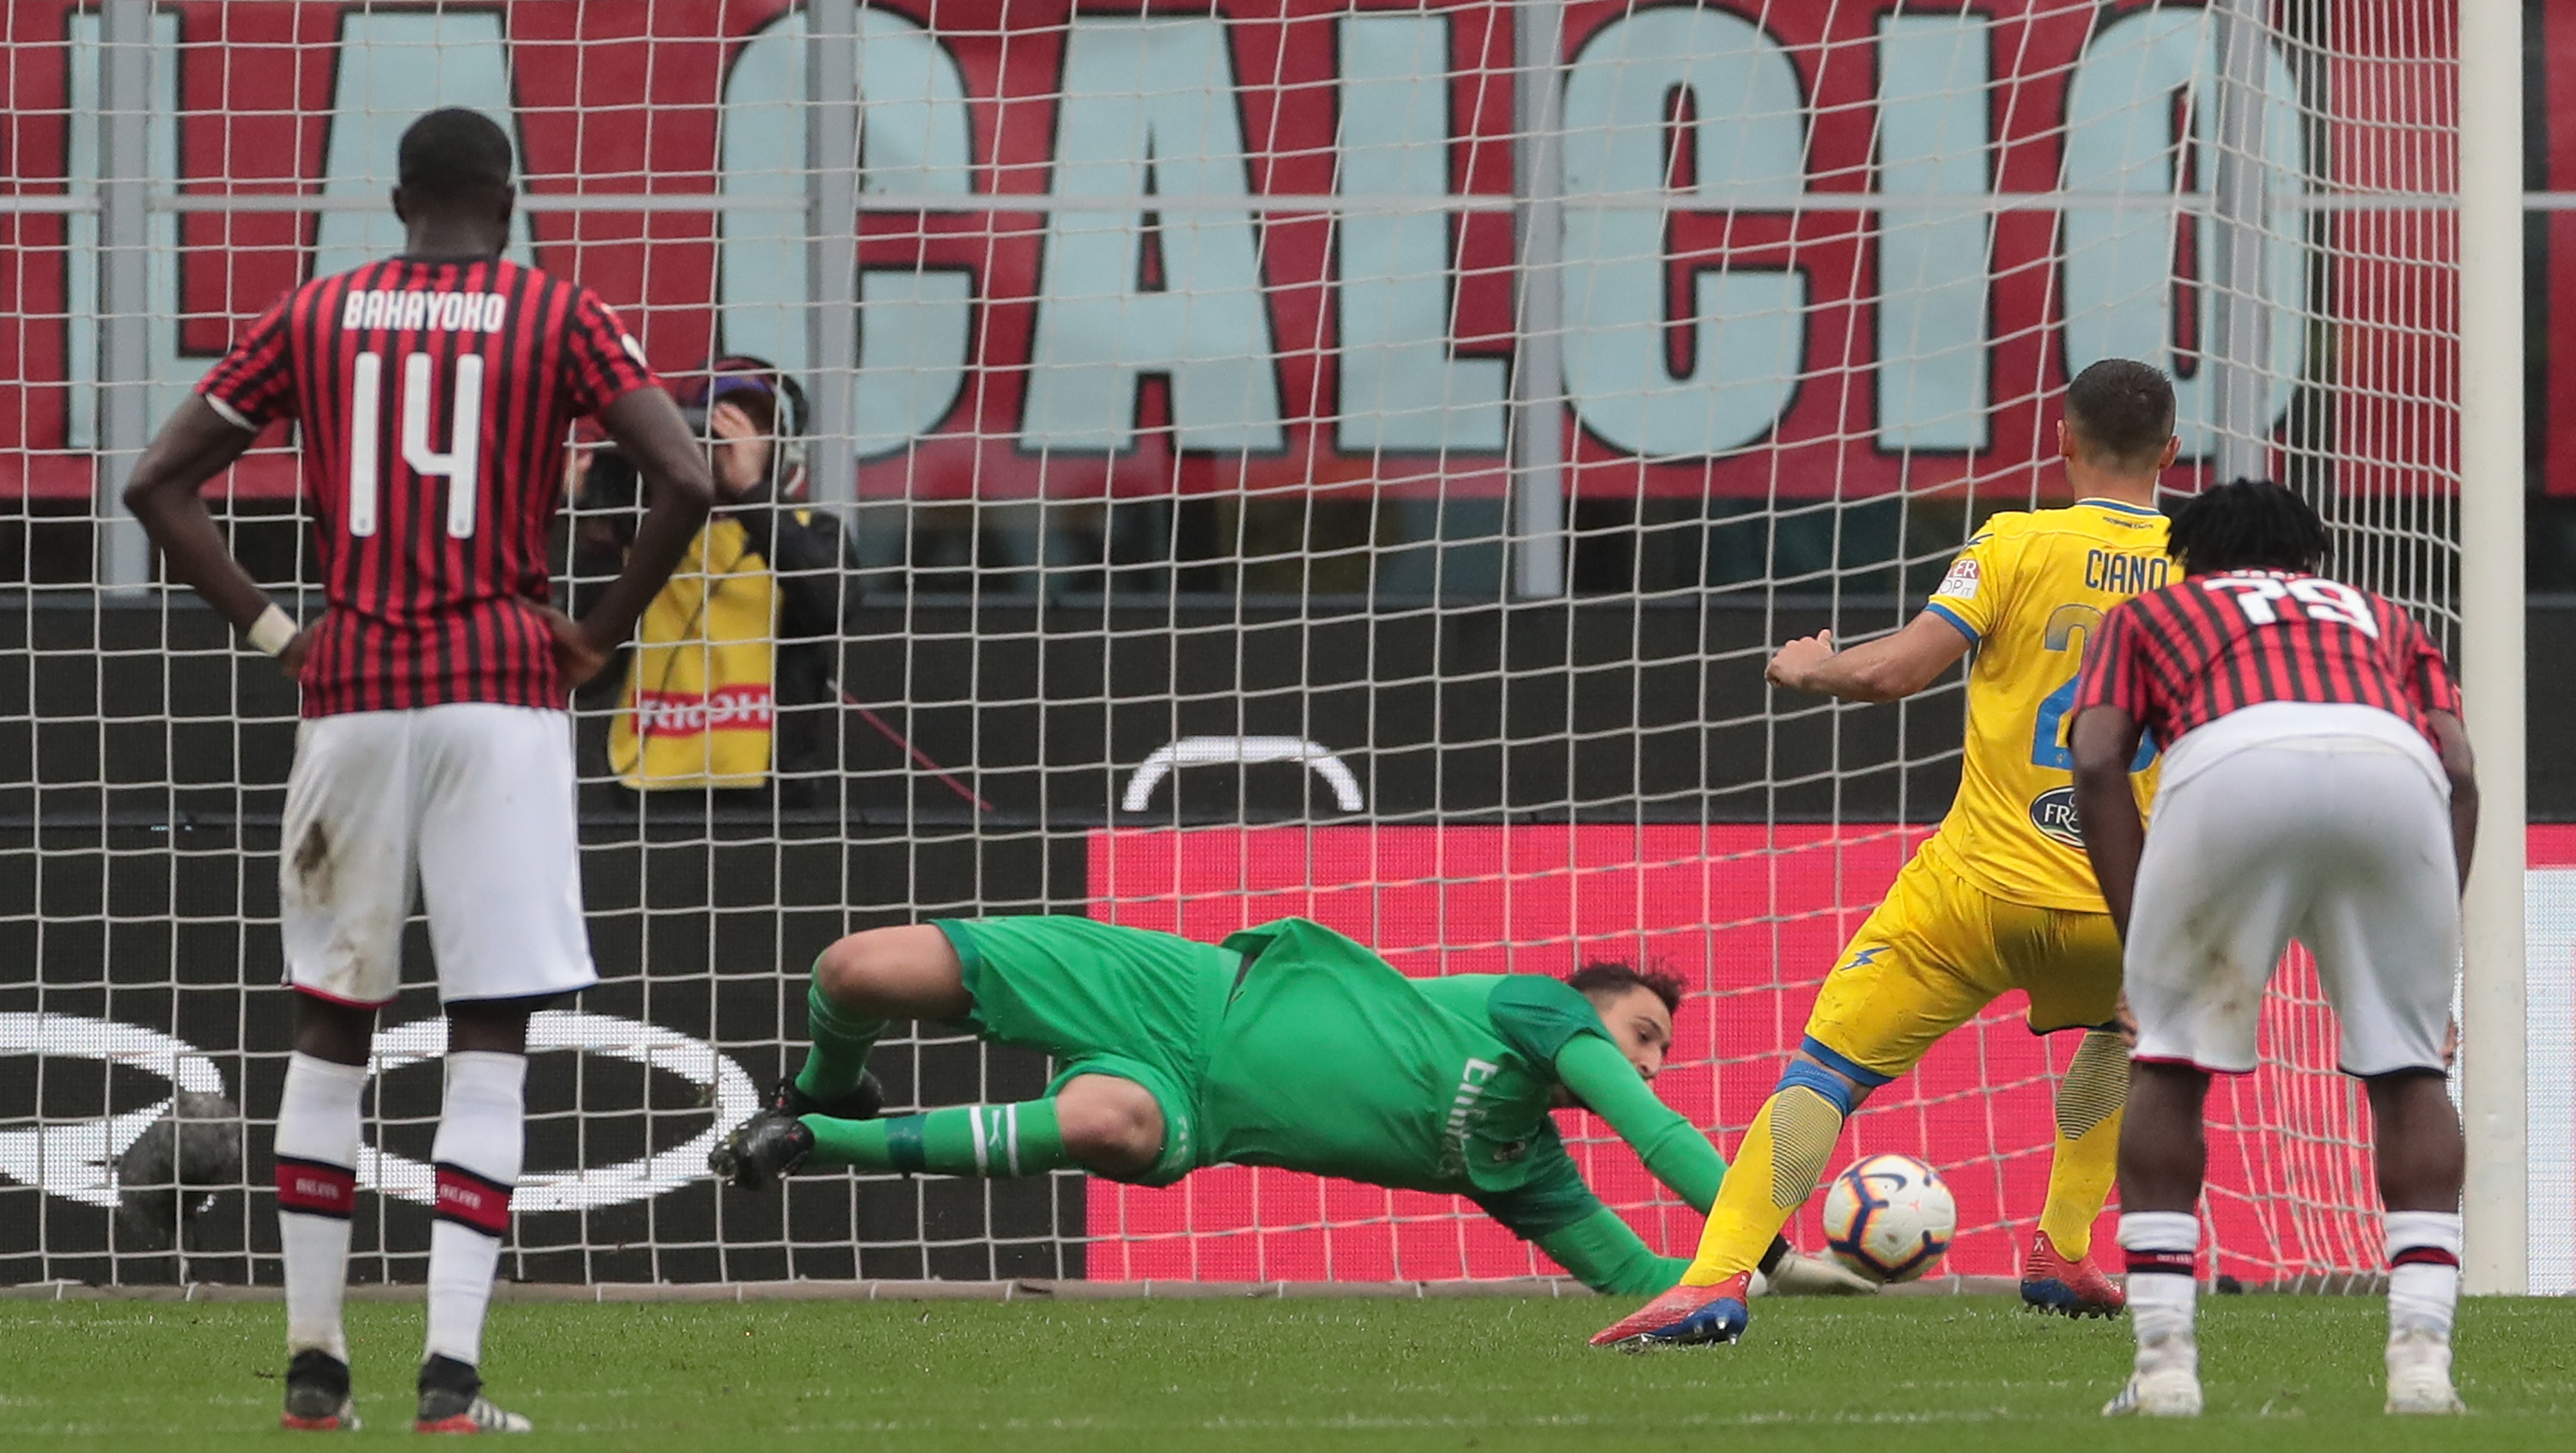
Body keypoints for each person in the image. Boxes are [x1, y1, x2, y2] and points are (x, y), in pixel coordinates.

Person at [119, 108, 715, 1432]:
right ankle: (450, 1380)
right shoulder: (556, 313)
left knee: (332, 1028)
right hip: (501, 694)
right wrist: (595, 638)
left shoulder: (318, 314)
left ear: (397, 202)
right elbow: (681, 476)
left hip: (354, 695)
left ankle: (315, 1370)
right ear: (511, 203)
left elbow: (156, 483)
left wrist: (282, 635)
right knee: (488, 1042)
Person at [1592, 358, 2178, 1348]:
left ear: (2062, 440)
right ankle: (2062, 1248)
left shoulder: (2015, 542)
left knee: (1825, 1070)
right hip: (2125, 903)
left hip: (1975, 893)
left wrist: (1817, 667)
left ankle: (1716, 1279)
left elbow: (1900, 670)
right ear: (2171, 452)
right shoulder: (2202, 564)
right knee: (2120, 1037)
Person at [708, 915, 1875, 1298]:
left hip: (1192, 1108)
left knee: (1108, 1129)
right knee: (856, 971)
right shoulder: (1534, 1008)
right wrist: (1768, 1245)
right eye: (1645, 1035)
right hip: (1187, 989)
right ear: (1589, 1012)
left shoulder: (1519, 1167)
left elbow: (1642, 1289)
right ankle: (823, 1081)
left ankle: (818, 1136)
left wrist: (1775, 1288)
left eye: (1662, 1050)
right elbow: (1657, 1135)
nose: (1653, 1064)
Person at [2067, 479, 2477, 1418]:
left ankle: (2166, 1364)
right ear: (2311, 565)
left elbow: (2096, 759)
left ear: (2190, 560)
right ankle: (2422, 1360)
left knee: (2170, 1064)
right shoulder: (2382, 614)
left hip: (2230, 761)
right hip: (2394, 771)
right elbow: (2458, 768)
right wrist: (2428, 951)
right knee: (2412, 1071)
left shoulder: (2151, 611)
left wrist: (2144, 957)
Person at [592, 356, 854, 806]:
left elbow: (831, 606)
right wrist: (591, 510)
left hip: (767, 793)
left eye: (754, 425)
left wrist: (753, 491)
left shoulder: (813, 530)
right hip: (647, 785)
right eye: (721, 423)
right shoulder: (643, 535)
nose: (736, 438)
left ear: (778, 445)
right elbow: (588, 664)